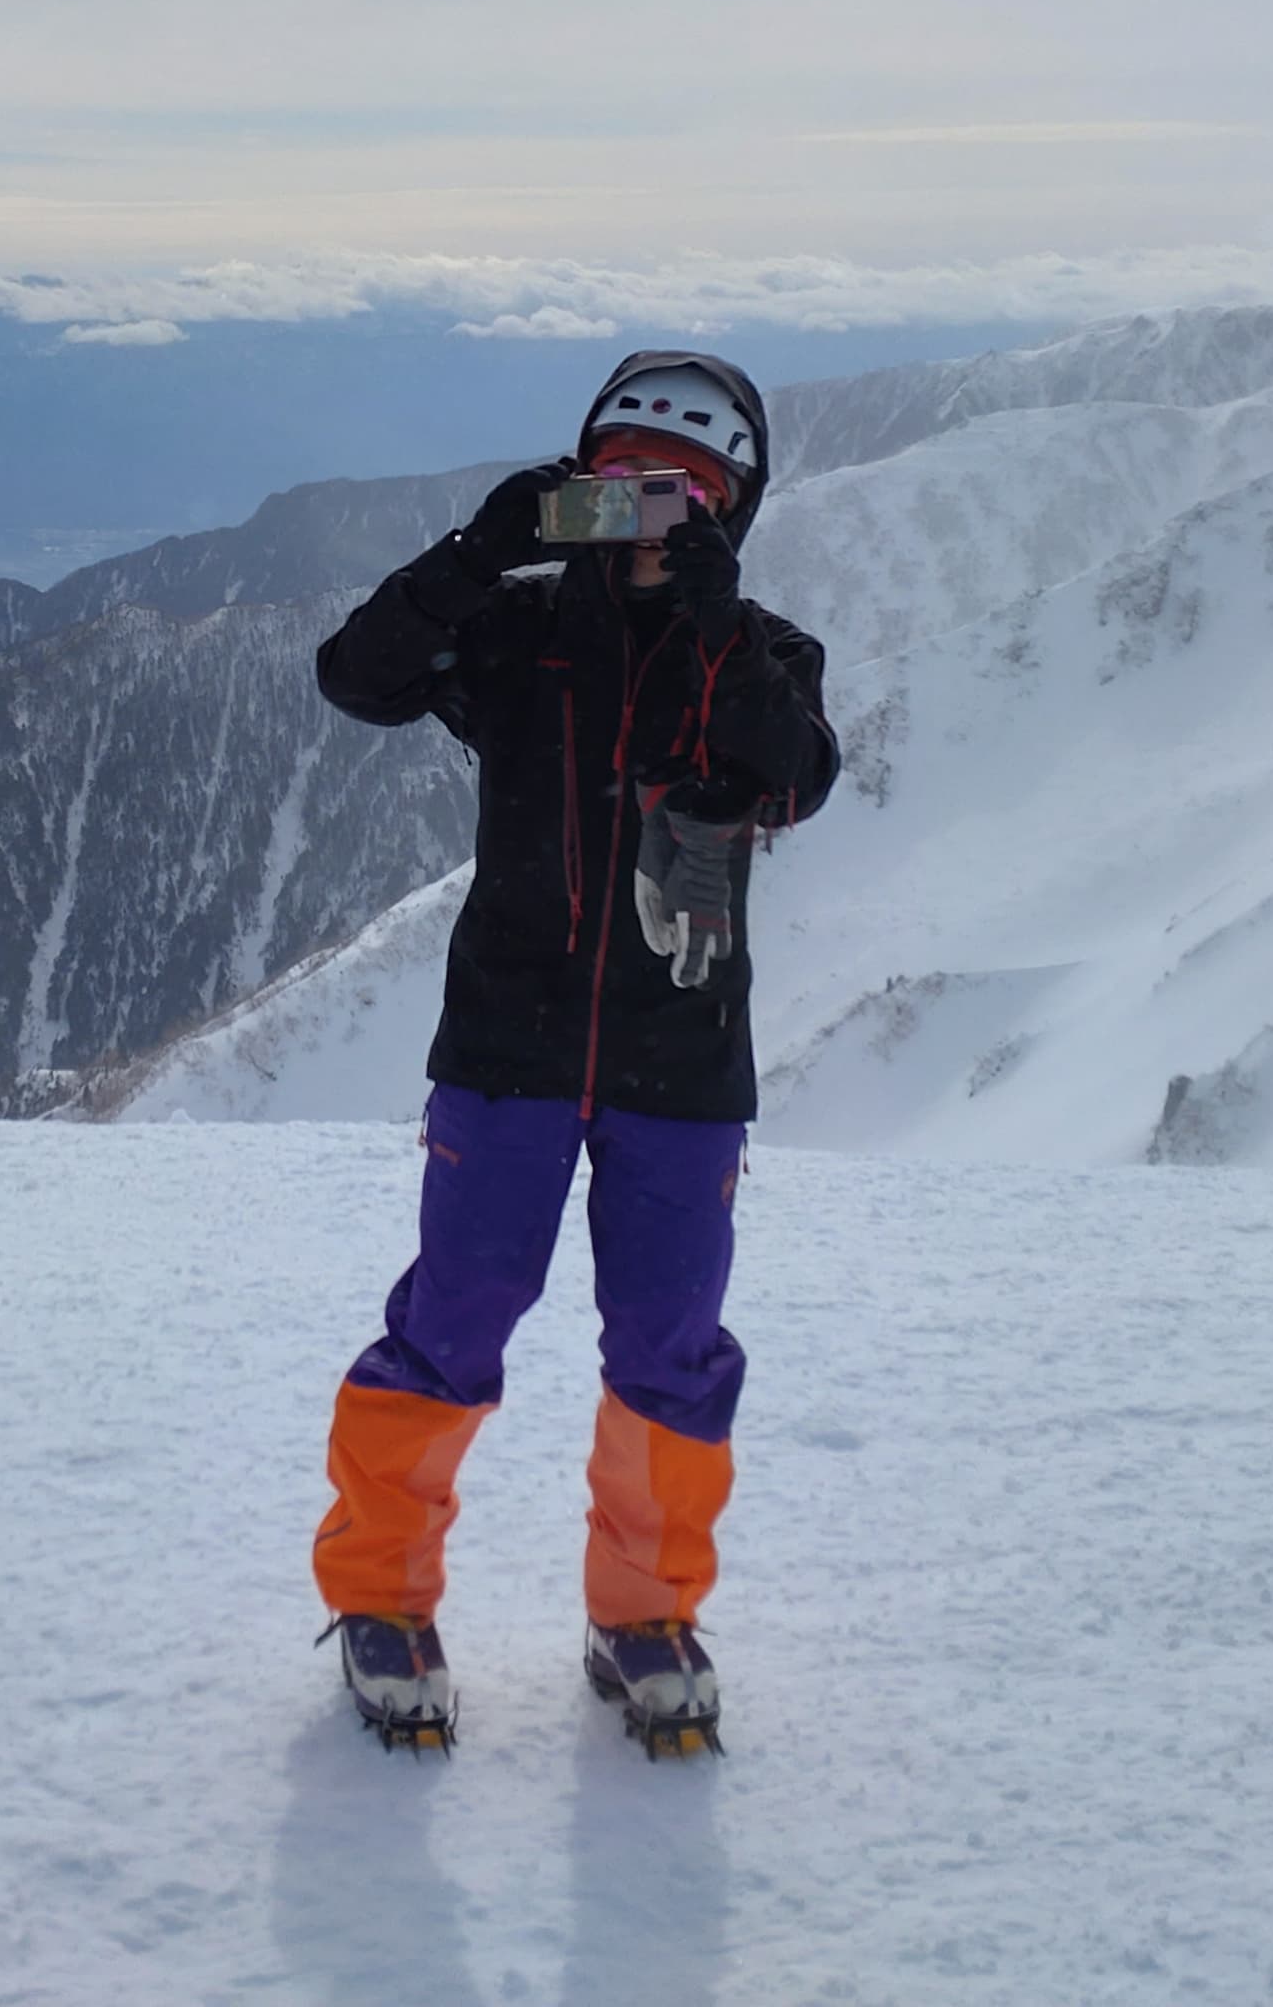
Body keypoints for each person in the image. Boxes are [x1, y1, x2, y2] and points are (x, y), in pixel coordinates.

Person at [307, 351, 839, 1755]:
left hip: (683, 1065)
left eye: (692, 497)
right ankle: (380, 1597)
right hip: (506, 1051)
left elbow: (795, 774)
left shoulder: (764, 652)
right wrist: (481, 550)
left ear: (737, 513)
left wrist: (712, 614)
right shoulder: (518, 632)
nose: (656, 519)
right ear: (581, 484)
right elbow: (357, 676)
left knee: (671, 1346)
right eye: (627, 487)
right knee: (452, 1323)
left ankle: (646, 1611)